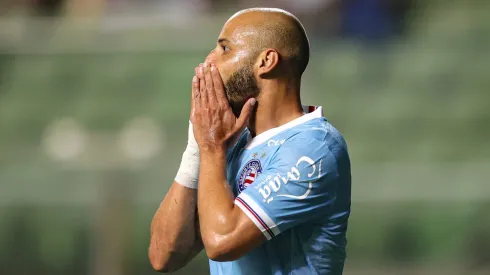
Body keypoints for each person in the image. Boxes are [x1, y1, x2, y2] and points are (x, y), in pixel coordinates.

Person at [149, 7, 351, 275]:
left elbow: (223, 242)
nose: (208, 61)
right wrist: (196, 149)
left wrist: (210, 148)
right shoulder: (229, 142)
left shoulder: (313, 149)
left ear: (266, 61)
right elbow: (163, 256)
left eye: (224, 49)